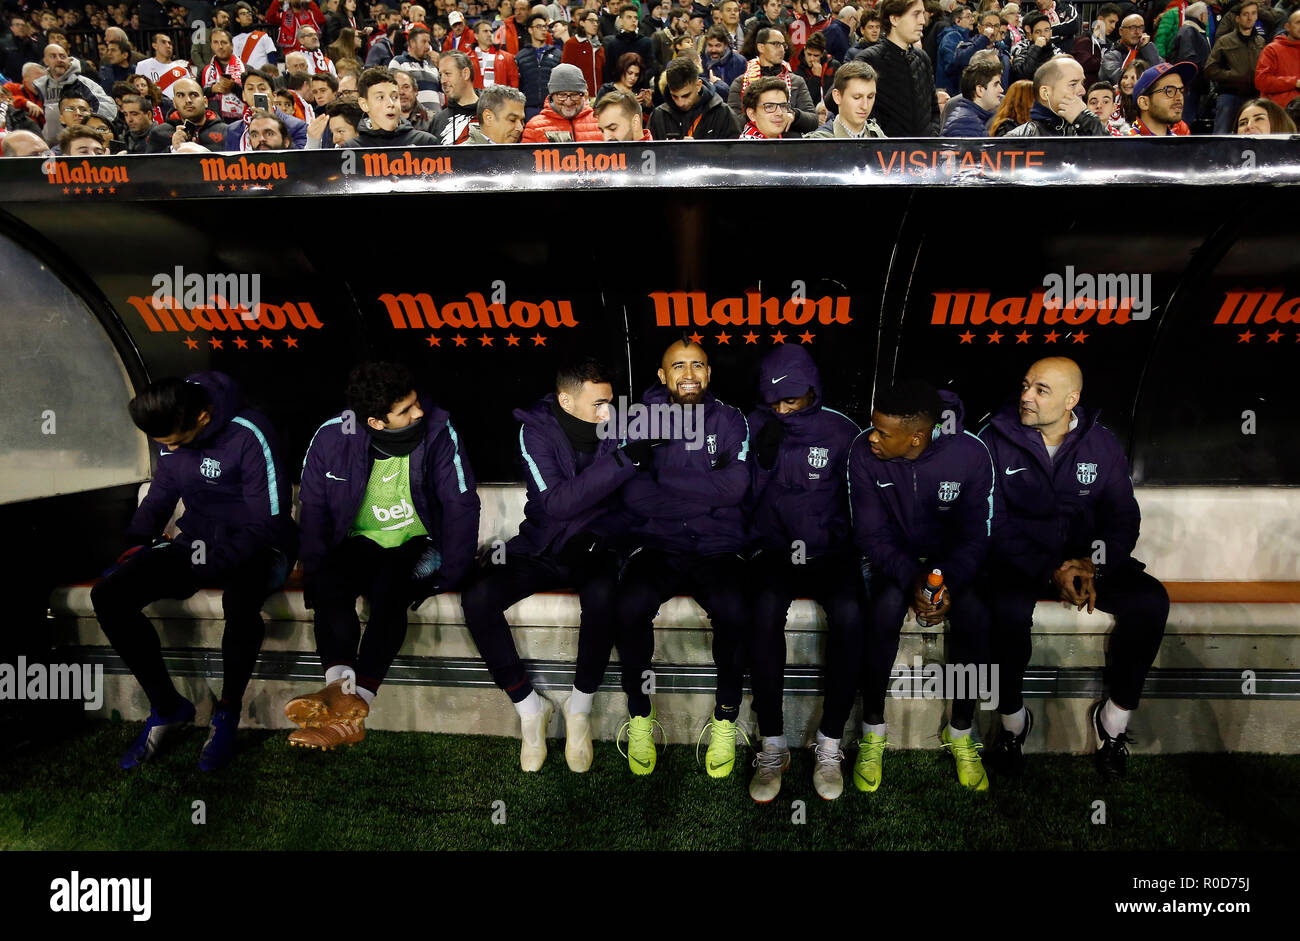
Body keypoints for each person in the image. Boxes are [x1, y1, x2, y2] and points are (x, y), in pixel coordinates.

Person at [91, 374, 297, 771]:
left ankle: (226, 711)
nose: (166, 448)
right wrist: (133, 545)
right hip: (200, 542)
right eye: (160, 442)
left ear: (203, 417)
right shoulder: (172, 426)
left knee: (241, 600)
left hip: (262, 545)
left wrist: (214, 564)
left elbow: (268, 520)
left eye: (174, 441)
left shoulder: (249, 432)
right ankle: (168, 706)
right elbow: (160, 497)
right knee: (110, 594)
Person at [979, 358, 1169, 781]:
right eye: (1026, 385)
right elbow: (991, 522)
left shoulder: (1101, 444)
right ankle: (1013, 724)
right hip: (1020, 562)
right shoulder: (993, 439)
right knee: (1003, 611)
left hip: (1087, 562)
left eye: (1041, 390)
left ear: (1072, 400)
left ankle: (1114, 723)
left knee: (1151, 601)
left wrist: (1094, 565)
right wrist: (1051, 569)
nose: (1026, 396)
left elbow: (1123, 517)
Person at [459, 358, 646, 773]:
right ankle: (529, 707)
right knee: (477, 597)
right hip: (542, 544)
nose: (607, 412)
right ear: (566, 399)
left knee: (603, 594)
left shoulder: (620, 426)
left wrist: (604, 522)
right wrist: (620, 463)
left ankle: (579, 707)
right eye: (598, 403)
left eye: (609, 402)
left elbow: (629, 503)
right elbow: (556, 503)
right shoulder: (536, 429)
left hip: (596, 544)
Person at [290, 362, 479, 751]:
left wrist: (453, 574)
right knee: (329, 581)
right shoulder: (331, 437)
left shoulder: (439, 431)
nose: (419, 412)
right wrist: (313, 569)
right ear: (375, 422)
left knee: (390, 585)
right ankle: (341, 693)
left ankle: (353, 705)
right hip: (363, 541)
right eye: (406, 410)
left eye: (415, 403)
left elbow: (461, 504)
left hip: (423, 543)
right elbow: (313, 509)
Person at [848, 380, 994, 792]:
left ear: (916, 436)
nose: (872, 437)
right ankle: (873, 730)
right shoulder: (864, 452)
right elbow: (871, 536)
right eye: (873, 427)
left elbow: (976, 535)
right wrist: (916, 579)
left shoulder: (970, 453)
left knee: (977, 616)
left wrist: (943, 582)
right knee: (880, 613)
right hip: (893, 560)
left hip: (953, 563)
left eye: (883, 433)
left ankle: (961, 730)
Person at [615, 338, 751, 779]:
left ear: (709, 373)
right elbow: (634, 494)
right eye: (678, 366)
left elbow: (736, 488)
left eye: (697, 365)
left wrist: (669, 489)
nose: (688, 374)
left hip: (716, 547)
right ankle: (639, 715)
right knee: (629, 605)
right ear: (662, 375)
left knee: (735, 609)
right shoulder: (641, 420)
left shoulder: (730, 419)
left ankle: (726, 719)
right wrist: (704, 499)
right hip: (659, 545)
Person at [744, 347, 864, 802]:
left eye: (791, 400)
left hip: (831, 551)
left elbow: (861, 502)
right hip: (775, 549)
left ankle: (829, 743)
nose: (782, 409)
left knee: (852, 616)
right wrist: (764, 461)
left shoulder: (842, 431)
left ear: (812, 390)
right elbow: (742, 499)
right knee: (763, 610)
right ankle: (772, 744)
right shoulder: (755, 427)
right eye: (775, 401)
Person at [860, 0, 941, 136]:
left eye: (923, 13)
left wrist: (931, 136)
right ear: (894, 19)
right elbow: (836, 100)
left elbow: (934, 109)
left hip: (923, 153)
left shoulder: (922, 58)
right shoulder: (870, 59)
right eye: (916, 14)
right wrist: (878, 137)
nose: (922, 21)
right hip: (886, 154)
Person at [728, 27, 820, 133]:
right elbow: (732, 122)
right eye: (776, 44)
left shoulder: (796, 81)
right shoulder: (741, 83)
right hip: (752, 145)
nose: (782, 50)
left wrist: (794, 115)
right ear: (761, 47)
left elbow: (813, 121)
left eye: (783, 45)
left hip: (787, 144)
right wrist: (762, 116)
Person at [37, 43, 117, 144]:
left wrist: (86, 127)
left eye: (62, 56)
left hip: (85, 141)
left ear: (69, 60)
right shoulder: (38, 86)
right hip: (50, 145)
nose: (59, 60)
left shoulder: (84, 83)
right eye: (53, 56)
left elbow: (109, 109)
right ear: (45, 61)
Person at [1006, 55, 1109, 134]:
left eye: (1082, 83)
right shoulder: (1020, 137)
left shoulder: (1086, 124)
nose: (1083, 91)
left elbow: (1112, 157)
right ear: (1045, 93)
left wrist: (1086, 121)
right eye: (1073, 84)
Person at [1205, 0, 1265, 133]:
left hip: (1254, 96)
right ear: (1238, 18)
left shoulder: (1260, 42)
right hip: (1230, 96)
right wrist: (1232, 76)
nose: (1250, 18)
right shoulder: (1225, 41)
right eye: (1246, 14)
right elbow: (1210, 69)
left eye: (1253, 13)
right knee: (1221, 137)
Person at [342, 65, 440, 144]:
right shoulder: (352, 150)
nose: (391, 104)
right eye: (380, 97)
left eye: (395, 97)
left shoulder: (425, 143)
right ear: (364, 104)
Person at [649, 54, 741, 137]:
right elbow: (648, 153)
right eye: (674, 96)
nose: (680, 103)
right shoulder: (659, 116)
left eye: (686, 96)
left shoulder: (722, 113)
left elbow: (735, 152)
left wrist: (696, 149)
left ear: (698, 86)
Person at [223, 69, 310, 149]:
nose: (256, 92)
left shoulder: (297, 126)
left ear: (274, 95)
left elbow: (299, 160)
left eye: (262, 88)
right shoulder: (233, 130)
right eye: (250, 89)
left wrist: (274, 122)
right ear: (243, 96)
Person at [521, 61, 603, 139]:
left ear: (583, 95)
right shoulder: (534, 128)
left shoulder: (601, 122)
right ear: (551, 95)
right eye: (562, 95)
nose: (568, 102)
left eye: (574, 95)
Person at [806, 58, 887, 135]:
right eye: (857, 97)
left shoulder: (879, 135)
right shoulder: (819, 143)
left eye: (870, 97)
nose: (865, 106)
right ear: (837, 96)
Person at [148, 77, 229, 151]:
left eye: (194, 95)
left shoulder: (226, 131)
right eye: (180, 95)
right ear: (174, 103)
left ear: (205, 102)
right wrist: (172, 149)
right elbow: (148, 166)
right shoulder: (159, 133)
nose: (188, 100)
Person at [1125, 59, 1195, 134]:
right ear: (1144, 103)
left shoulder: (1181, 142)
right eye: (1169, 91)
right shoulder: (1125, 144)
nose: (1179, 97)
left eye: (1181, 91)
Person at [1168, 2, 1211, 124]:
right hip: (1190, 88)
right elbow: (1188, 60)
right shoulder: (1189, 31)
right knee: (1184, 123)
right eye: (1207, 15)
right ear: (1202, 16)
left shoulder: (1192, 31)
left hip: (1192, 87)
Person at [517, 12, 564, 117]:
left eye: (545, 26)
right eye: (539, 26)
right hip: (528, 109)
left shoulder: (558, 54)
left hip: (553, 108)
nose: (543, 29)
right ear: (530, 30)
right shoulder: (520, 56)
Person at [942, 57, 1004, 133]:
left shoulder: (970, 120)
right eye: (995, 84)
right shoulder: (966, 124)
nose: (1001, 90)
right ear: (980, 90)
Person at [1098, 12, 1163, 84]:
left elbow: (1160, 72)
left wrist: (1147, 47)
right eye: (1132, 28)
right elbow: (1123, 80)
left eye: (1141, 28)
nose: (1137, 32)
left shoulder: (1147, 51)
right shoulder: (1111, 56)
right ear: (1121, 31)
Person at [1254, 7, 1300, 108]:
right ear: (1287, 27)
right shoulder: (1272, 49)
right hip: (1278, 111)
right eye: (1298, 23)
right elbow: (1262, 81)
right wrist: (1294, 82)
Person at [431, 50, 479, 141]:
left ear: (465, 74)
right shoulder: (438, 120)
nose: (442, 81)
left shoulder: (489, 113)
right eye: (441, 75)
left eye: (447, 74)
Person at [201, 29, 247, 122]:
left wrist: (234, 87)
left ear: (232, 46)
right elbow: (196, 95)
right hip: (211, 122)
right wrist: (212, 89)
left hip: (240, 121)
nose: (220, 46)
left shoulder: (246, 69)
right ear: (211, 46)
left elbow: (252, 96)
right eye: (216, 42)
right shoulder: (204, 71)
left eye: (224, 42)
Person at [603, 3, 657, 81]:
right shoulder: (613, 44)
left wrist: (636, 79)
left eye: (635, 18)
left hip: (640, 89)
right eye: (629, 17)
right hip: (618, 89)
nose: (633, 20)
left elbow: (651, 68)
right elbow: (608, 72)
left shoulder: (646, 42)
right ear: (621, 21)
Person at [1010, 11, 1063, 81]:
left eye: (1046, 30)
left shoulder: (1057, 53)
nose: (1043, 35)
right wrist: (1036, 48)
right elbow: (1022, 75)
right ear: (1030, 36)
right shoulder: (1022, 52)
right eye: (1038, 32)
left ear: (1051, 33)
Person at [390, 24, 442, 94]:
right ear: (412, 43)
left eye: (428, 42)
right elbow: (392, 90)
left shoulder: (433, 67)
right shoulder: (398, 62)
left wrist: (441, 67)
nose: (427, 46)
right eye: (423, 42)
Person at [562, 8, 605, 92]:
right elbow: (565, 72)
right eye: (592, 20)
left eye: (597, 21)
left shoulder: (600, 48)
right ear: (582, 23)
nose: (595, 24)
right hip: (579, 95)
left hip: (598, 97)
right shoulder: (571, 44)